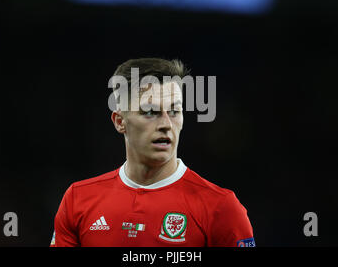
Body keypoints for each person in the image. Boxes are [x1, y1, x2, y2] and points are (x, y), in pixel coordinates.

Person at [50, 58, 254, 247]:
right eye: (150, 112)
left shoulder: (221, 208)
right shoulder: (78, 200)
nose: (166, 124)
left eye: (174, 111)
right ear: (120, 122)